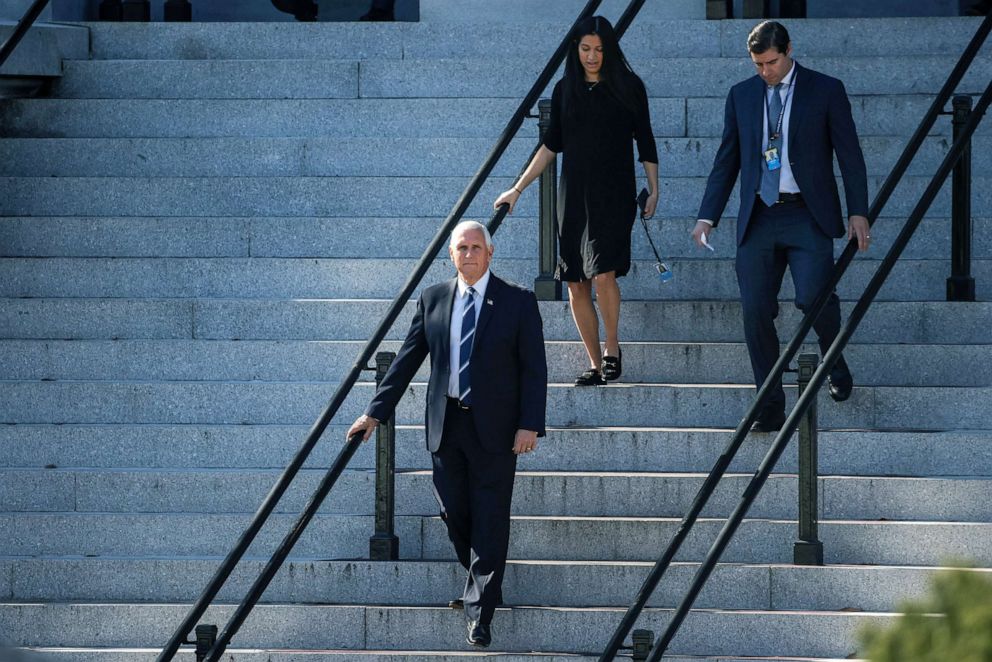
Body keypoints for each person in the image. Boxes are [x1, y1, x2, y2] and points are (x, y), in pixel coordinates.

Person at [347, 220, 547, 649]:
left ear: (490, 253)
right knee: (454, 512)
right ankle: (482, 578)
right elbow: (405, 361)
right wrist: (374, 414)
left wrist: (529, 424)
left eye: (477, 247)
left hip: (496, 428)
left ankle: (480, 613)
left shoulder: (517, 302)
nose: (470, 254)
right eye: (462, 248)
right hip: (446, 424)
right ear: (451, 255)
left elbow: (534, 369)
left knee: (491, 517)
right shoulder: (434, 299)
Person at [692, 20, 871, 432]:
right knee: (755, 309)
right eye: (757, 64)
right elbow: (728, 159)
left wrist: (858, 211)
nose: (765, 71)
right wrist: (708, 216)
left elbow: (850, 154)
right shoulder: (741, 95)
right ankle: (769, 406)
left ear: (789, 49)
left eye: (771, 62)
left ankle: (834, 362)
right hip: (759, 216)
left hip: (808, 213)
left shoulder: (826, 89)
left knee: (813, 297)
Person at [494, 15, 658, 386]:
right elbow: (551, 144)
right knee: (574, 281)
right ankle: (594, 363)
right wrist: (517, 189)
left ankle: (612, 348)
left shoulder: (629, 87)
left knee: (603, 272)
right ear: (575, 49)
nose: (592, 56)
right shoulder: (565, 88)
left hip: (614, 192)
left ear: (610, 50)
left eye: (599, 49)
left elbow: (644, 139)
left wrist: (654, 187)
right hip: (573, 194)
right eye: (585, 49)